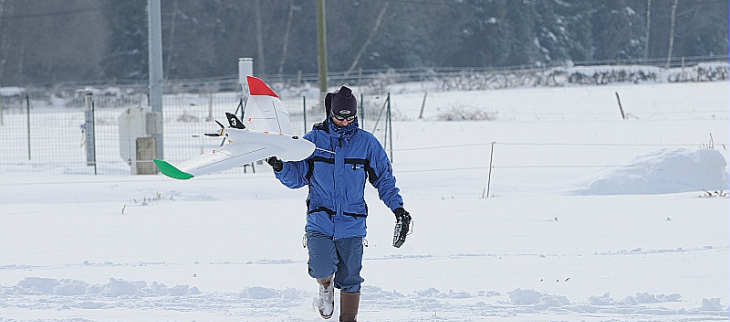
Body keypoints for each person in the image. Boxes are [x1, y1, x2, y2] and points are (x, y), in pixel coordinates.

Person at [266, 85, 411, 321]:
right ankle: (325, 286)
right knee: (321, 268)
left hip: (352, 223)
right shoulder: (313, 142)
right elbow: (297, 178)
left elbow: (384, 179)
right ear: (330, 113)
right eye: (339, 117)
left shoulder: (367, 144)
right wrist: (280, 166)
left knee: (351, 279)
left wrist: (399, 210)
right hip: (320, 221)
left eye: (350, 117)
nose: (344, 122)